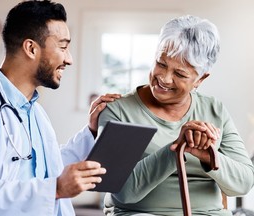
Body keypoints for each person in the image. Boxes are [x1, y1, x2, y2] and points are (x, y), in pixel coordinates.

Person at [0, 1, 120, 216]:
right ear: (31, 48)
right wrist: (56, 189)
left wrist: (91, 131)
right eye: (63, 47)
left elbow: (50, 169)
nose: (69, 59)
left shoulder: (35, 111)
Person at [98, 15, 254, 215]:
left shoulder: (214, 110)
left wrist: (209, 156)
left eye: (179, 74)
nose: (164, 78)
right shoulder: (119, 110)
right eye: (161, 64)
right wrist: (176, 149)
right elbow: (123, 193)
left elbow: (244, 184)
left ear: (200, 79)